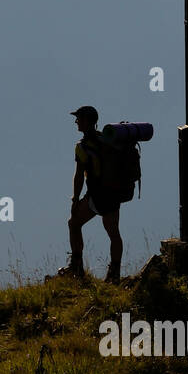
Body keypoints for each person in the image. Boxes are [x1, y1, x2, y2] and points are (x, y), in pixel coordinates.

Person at [58, 105, 123, 283]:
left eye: (79, 118)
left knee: (73, 224)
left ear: (87, 121)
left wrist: (75, 200)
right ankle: (114, 274)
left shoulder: (83, 146)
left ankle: (77, 269)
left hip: (96, 196)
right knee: (114, 234)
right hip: (113, 194)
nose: (76, 121)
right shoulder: (107, 139)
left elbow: (79, 176)